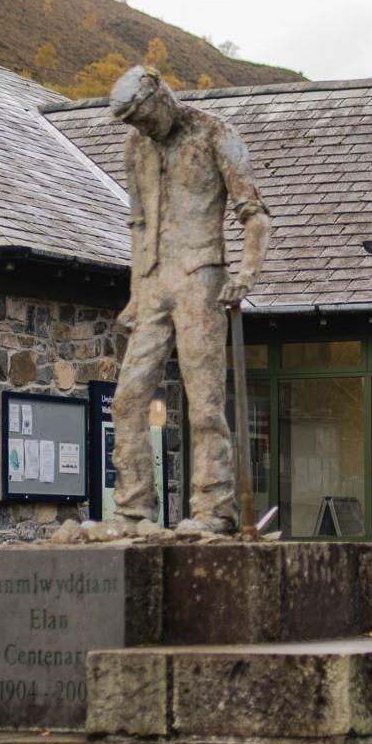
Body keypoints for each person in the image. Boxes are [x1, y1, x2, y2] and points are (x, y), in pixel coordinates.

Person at [107, 66, 271, 534]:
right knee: (126, 399)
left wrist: (245, 273)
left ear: (161, 96)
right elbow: (140, 225)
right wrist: (137, 293)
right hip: (154, 284)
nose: (141, 129)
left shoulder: (214, 133)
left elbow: (255, 216)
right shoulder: (136, 147)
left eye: (142, 117)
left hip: (202, 279)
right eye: (132, 123)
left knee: (204, 405)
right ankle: (132, 509)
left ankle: (212, 510)